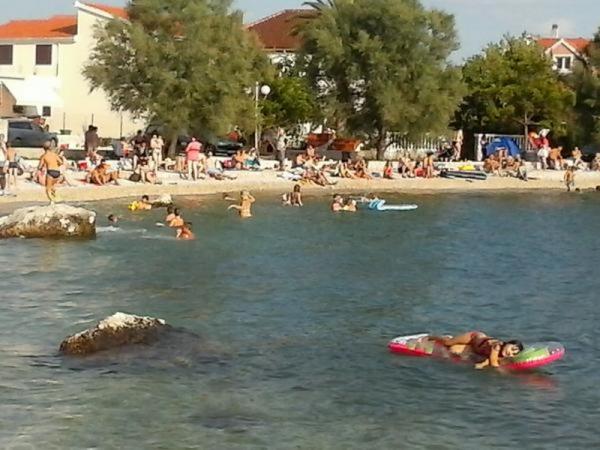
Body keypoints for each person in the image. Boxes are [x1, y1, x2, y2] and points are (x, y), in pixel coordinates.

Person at [429, 332, 524, 369]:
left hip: (476, 349)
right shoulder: (497, 346)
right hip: (473, 338)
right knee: (447, 343)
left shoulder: (503, 354)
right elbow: (493, 363)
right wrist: (505, 372)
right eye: (512, 349)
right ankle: (434, 336)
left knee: (454, 351)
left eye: (513, 354)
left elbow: (491, 359)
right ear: (508, 343)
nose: (510, 353)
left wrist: (482, 364)